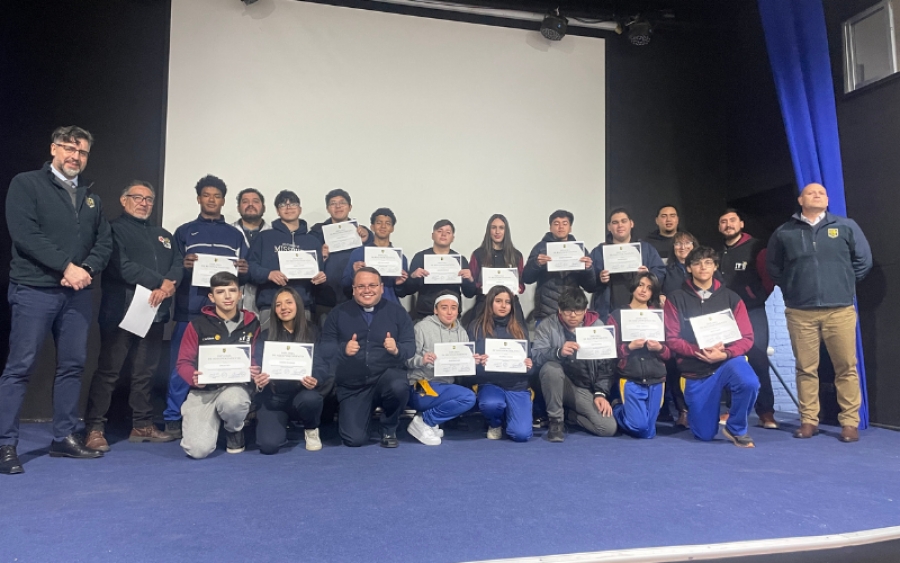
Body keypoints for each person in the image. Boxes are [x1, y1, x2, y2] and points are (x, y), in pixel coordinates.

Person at [1, 126, 112, 475]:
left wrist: (85, 270)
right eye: (69, 148)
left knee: (72, 366)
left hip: (76, 294)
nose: (75, 156)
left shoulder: (91, 198)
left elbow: (104, 242)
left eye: (82, 152)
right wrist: (66, 266)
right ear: (53, 149)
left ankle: (63, 437)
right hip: (34, 290)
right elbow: (25, 234)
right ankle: (5, 444)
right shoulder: (26, 184)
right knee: (20, 367)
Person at [767, 183, 872, 442]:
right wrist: (792, 289)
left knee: (846, 367)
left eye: (822, 193)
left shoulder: (846, 226)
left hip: (839, 310)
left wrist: (844, 285)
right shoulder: (784, 232)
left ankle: (849, 422)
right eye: (811, 192)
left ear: (827, 200)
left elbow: (863, 261)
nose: (817, 195)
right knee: (805, 368)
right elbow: (774, 267)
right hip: (800, 312)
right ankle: (808, 421)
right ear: (800, 199)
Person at [83, 181, 182, 452]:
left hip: (154, 313)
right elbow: (121, 267)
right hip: (121, 311)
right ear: (123, 200)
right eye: (137, 197)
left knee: (145, 371)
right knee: (109, 372)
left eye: (148, 199)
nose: (143, 203)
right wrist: (160, 282)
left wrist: (168, 284)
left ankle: (142, 424)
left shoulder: (163, 235)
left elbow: (177, 264)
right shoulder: (112, 229)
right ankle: (94, 428)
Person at [164, 175, 249, 439]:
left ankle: (225, 417)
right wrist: (183, 266)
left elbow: (245, 273)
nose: (211, 200)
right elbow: (172, 267)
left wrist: (244, 270)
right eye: (206, 195)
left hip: (225, 313)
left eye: (217, 196)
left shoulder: (236, 235)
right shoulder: (184, 231)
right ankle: (172, 417)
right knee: (181, 365)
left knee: (226, 362)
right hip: (189, 309)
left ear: (223, 201)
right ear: (198, 198)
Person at [664, 246, 759, 447]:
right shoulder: (676, 299)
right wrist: (699, 352)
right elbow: (672, 339)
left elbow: (747, 338)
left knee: (749, 382)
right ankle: (702, 416)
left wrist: (725, 354)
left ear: (715, 266)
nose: (703, 267)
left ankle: (736, 428)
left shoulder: (732, 298)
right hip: (695, 370)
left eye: (708, 263)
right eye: (697, 263)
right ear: (688, 268)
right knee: (704, 434)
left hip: (726, 362)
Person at [313, 267, 415, 447]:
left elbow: (410, 347)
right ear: (353, 290)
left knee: (399, 386)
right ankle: (362, 413)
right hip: (353, 384)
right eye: (361, 286)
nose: (367, 290)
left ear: (381, 288)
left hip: (386, 377)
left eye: (372, 285)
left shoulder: (398, 312)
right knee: (354, 440)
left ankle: (389, 427)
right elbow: (325, 348)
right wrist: (343, 349)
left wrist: (396, 349)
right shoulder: (338, 313)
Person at [176, 272, 261, 459]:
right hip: (203, 391)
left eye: (232, 290)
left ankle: (233, 429)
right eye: (221, 292)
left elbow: (255, 357)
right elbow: (183, 363)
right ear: (212, 297)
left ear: (240, 294)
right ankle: (213, 424)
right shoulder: (197, 325)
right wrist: (193, 377)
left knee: (234, 402)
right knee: (197, 451)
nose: (227, 296)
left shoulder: (253, 324)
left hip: (236, 388)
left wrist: (255, 369)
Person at [717, 209, 777, 430]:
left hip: (752, 311)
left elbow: (768, 279)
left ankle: (766, 413)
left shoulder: (757, 247)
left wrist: (755, 296)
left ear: (741, 224)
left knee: (759, 359)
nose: (728, 225)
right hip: (726, 316)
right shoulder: (718, 253)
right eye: (723, 222)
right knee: (731, 360)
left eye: (732, 220)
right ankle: (733, 410)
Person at [532, 288, 617, 442]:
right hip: (556, 383)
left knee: (608, 428)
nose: (572, 315)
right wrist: (558, 352)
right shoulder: (547, 325)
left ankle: (569, 415)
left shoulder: (598, 327)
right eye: (567, 311)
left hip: (583, 388)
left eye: (577, 311)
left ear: (585, 310)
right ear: (560, 310)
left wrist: (600, 393)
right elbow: (536, 356)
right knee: (551, 369)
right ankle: (556, 421)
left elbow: (607, 366)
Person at [254, 287, 331, 454]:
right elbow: (258, 366)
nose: (284, 308)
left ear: (298, 305)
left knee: (312, 399)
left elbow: (322, 365)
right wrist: (259, 380)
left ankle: (311, 428)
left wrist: (315, 378)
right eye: (278, 304)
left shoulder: (313, 331)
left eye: (289, 302)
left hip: (301, 395)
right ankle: (282, 425)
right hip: (274, 399)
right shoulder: (265, 335)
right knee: (268, 446)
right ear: (274, 310)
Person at [405, 291, 477, 445]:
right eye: (444, 308)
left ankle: (427, 421)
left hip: (444, 385)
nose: (449, 312)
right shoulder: (421, 327)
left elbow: (462, 369)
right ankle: (424, 421)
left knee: (468, 398)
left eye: (453, 308)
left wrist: (472, 362)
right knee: (467, 397)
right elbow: (406, 360)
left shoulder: (461, 332)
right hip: (419, 384)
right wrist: (422, 360)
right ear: (435, 310)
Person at [247, 190, 327, 327]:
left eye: (293, 204)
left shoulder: (312, 241)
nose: (288, 207)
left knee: (301, 341)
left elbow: (320, 272)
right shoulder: (264, 237)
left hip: (302, 306)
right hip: (271, 305)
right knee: (269, 341)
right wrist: (268, 274)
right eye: (283, 205)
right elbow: (249, 268)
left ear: (300, 209)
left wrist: (321, 278)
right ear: (277, 211)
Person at [607, 273, 670, 439]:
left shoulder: (659, 315)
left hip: (656, 377)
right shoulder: (617, 315)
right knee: (640, 427)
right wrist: (629, 347)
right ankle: (617, 408)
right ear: (633, 286)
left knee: (649, 432)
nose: (644, 290)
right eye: (641, 285)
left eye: (649, 288)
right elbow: (610, 350)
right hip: (631, 377)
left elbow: (669, 352)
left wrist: (659, 348)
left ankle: (629, 413)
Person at [469, 286, 535, 442]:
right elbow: (470, 368)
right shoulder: (476, 327)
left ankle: (509, 416)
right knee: (491, 404)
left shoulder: (519, 328)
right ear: (490, 303)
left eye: (507, 302)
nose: (503, 306)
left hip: (517, 385)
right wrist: (478, 364)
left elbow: (531, 366)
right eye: (498, 301)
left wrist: (530, 366)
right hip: (490, 383)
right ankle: (495, 423)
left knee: (521, 435)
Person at [522, 210, 595, 325]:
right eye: (556, 223)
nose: (560, 227)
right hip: (545, 312)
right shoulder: (540, 248)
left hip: (572, 312)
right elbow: (527, 278)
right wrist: (537, 264)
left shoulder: (579, 250)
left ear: (570, 228)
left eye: (565, 223)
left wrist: (588, 269)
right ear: (550, 228)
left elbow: (590, 287)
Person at [591, 207, 666, 319]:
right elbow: (588, 282)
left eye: (624, 221)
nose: (620, 225)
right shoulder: (599, 251)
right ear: (609, 227)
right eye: (615, 222)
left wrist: (648, 275)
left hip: (642, 310)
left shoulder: (646, 249)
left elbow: (660, 272)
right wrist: (599, 278)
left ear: (631, 224)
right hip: (608, 311)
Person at [310, 189, 372, 319]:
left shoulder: (361, 233)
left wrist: (367, 239)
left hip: (355, 298)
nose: (338, 206)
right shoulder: (316, 233)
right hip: (324, 300)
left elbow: (372, 259)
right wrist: (319, 256)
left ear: (350, 207)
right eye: (333, 203)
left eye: (342, 203)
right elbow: (307, 264)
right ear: (327, 209)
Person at [659, 230, 699, 427]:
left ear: (694, 246)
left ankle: (699, 410)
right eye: (678, 244)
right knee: (674, 369)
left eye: (687, 243)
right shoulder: (667, 271)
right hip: (675, 326)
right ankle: (682, 411)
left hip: (699, 326)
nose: (682, 247)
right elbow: (658, 291)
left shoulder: (702, 268)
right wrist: (659, 296)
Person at [406, 220, 477, 319]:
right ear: (432, 235)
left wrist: (470, 280)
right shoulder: (420, 257)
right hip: (425, 313)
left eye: (448, 232)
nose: (443, 234)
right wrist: (413, 277)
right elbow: (408, 290)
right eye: (439, 231)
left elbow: (469, 294)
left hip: (451, 315)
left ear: (453, 238)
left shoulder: (460, 260)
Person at [341, 208, 409, 305]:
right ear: (372, 227)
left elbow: (402, 293)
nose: (383, 226)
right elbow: (345, 286)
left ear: (392, 228)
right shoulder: (358, 253)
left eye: (388, 223)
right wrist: (354, 273)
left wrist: (399, 284)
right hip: (362, 307)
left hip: (390, 307)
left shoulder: (399, 258)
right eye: (379, 223)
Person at [467, 214, 525, 326]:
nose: (497, 231)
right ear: (489, 230)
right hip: (484, 306)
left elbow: (521, 283)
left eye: (501, 228)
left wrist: (518, 288)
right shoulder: (478, 254)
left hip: (509, 306)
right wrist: (480, 287)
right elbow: (472, 283)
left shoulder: (516, 255)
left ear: (506, 231)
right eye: (493, 227)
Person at [232, 187, 271, 315]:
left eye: (255, 201)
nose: (250, 205)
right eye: (245, 201)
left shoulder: (273, 235)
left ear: (263, 207)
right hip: (232, 302)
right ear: (238, 208)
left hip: (266, 303)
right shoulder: (227, 232)